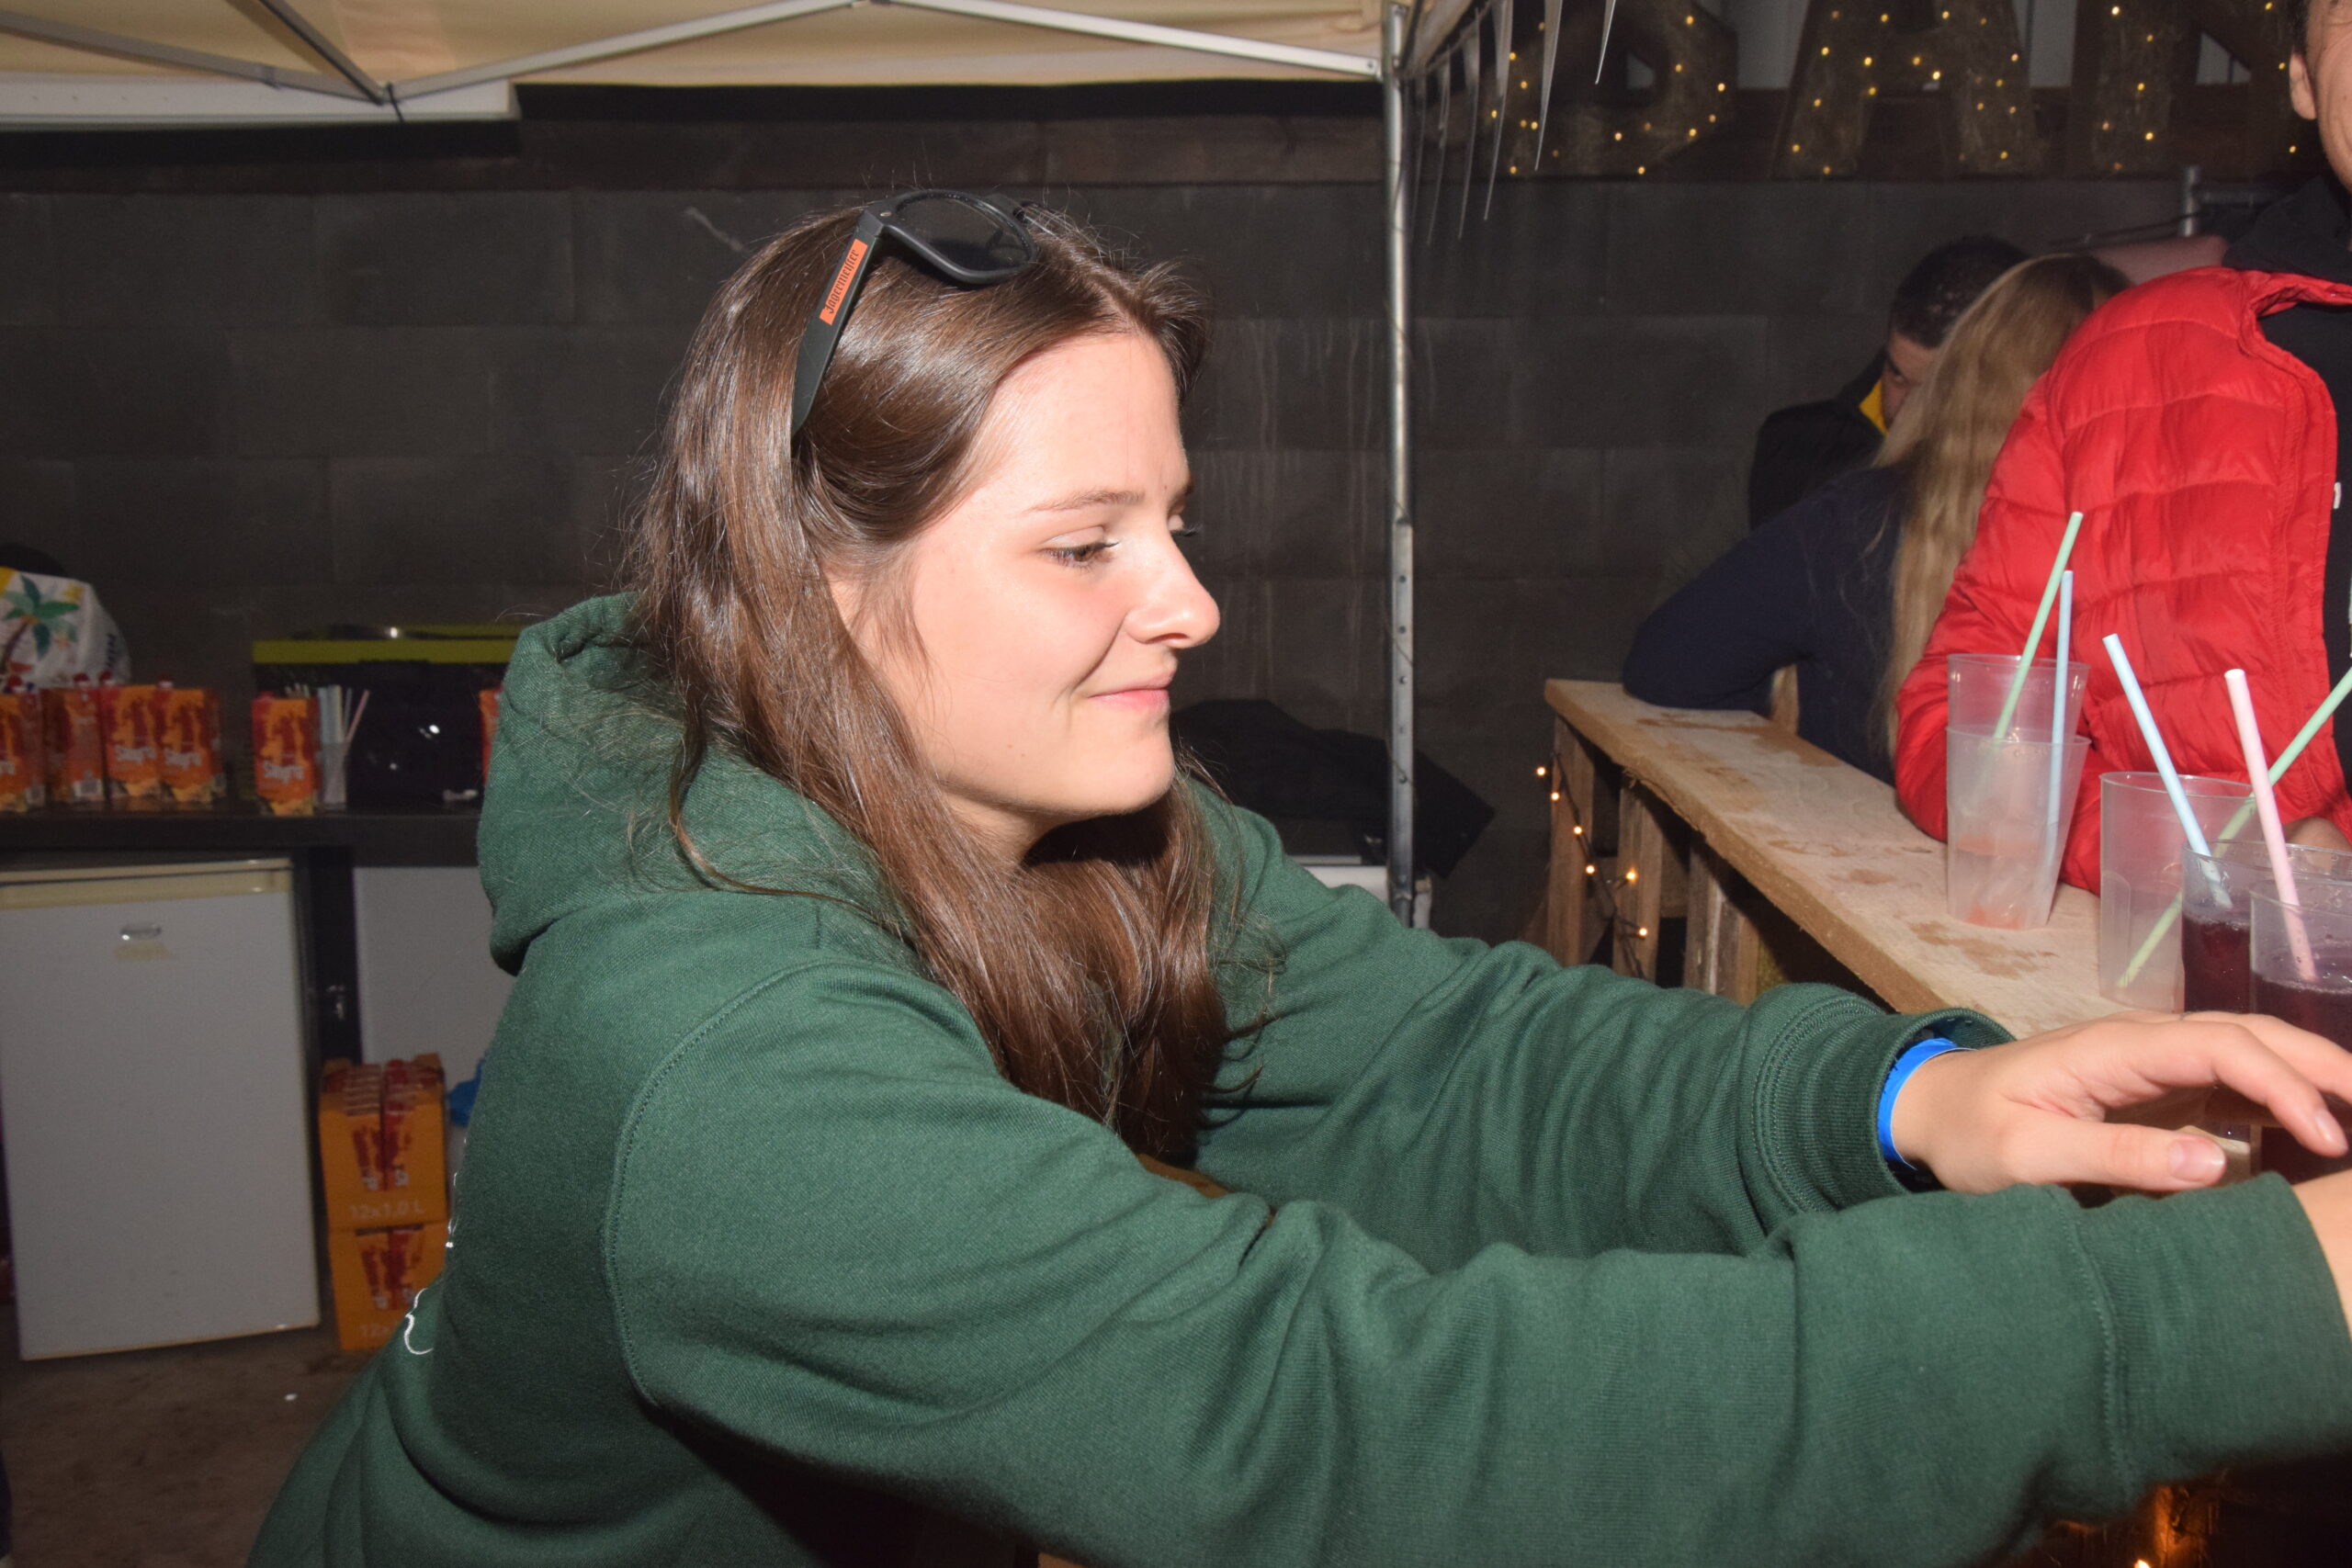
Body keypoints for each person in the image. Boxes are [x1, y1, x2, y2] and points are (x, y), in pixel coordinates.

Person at [253, 196, 2352, 1568]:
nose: (1186, 599)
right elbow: (1354, 1425)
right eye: (1082, 543)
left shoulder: (1081, 842)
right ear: (812, 583)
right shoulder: (717, 1052)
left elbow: (1453, 1055)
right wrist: (2216, 1310)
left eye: (1170, 518)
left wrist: (1904, 1098)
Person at [1893, 0, 2352, 889]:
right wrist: (2211, 857)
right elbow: (1964, 734)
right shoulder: (2125, 366)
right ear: (2299, 75)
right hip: (2203, 972)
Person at [1623, 254, 2130, 781]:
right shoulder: (1815, 471)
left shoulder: (1860, 524)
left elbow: (1667, 665)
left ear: (1961, 376)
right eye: (1896, 374)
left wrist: (1812, 691)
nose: (1905, 404)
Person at [1745, 234, 2027, 530]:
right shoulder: (1790, 449)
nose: (1906, 411)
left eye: (1938, 392)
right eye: (1897, 375)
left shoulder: (2036, 479)